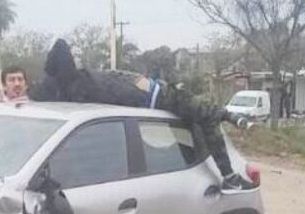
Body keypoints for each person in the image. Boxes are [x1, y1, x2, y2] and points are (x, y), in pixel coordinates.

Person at [28, 39, 250, 191]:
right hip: (156, 95)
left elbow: (40, 85)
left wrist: (21, 98)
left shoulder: (64, 88)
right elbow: (61, 48)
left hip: (151, 91)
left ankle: (229, 119)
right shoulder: (77, 84)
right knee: (205, 113)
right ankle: (229, 168)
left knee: (202, 111)